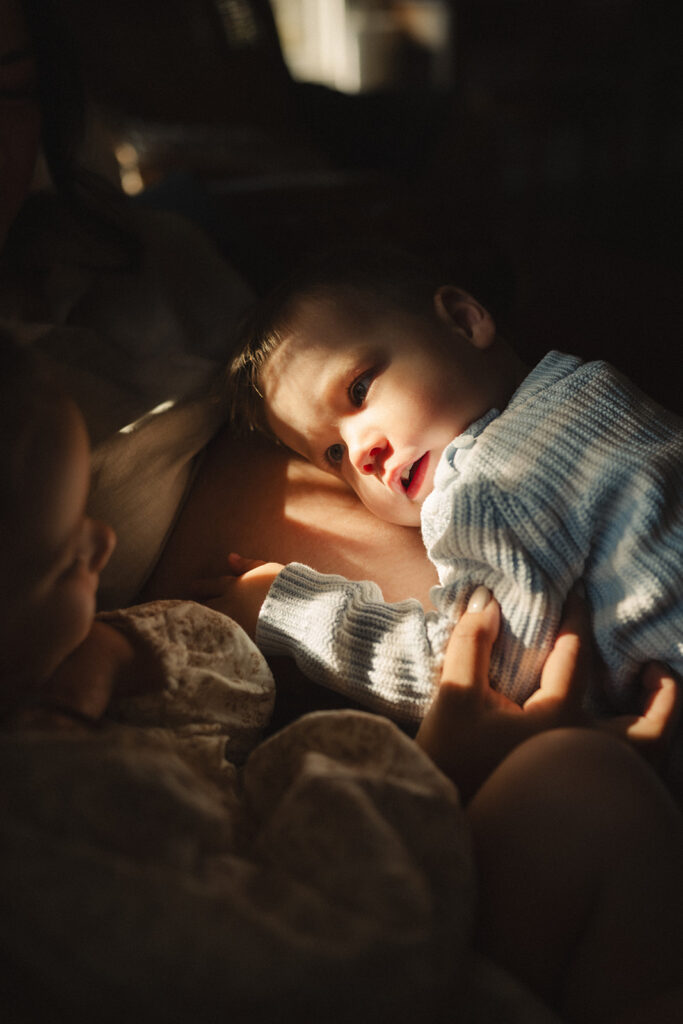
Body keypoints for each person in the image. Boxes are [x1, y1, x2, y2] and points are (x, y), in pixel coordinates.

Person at [1, 338, 682, 1024]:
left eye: (358, 391)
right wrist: (438, 771)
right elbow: (338, 964)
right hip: (400, 938)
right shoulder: (38, 838)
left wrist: (124, 647)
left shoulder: (67, 682)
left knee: (582, 783)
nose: (105, 543)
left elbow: (237, 689)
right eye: (64, 558)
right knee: (580, 785)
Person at [219, 245, 682, 737]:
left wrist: (286, 606)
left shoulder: (488, 485)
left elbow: (477, 680)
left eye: (358, 391)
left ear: (464, 321)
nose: (360, 454)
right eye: (333, 454)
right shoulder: (595, 386)